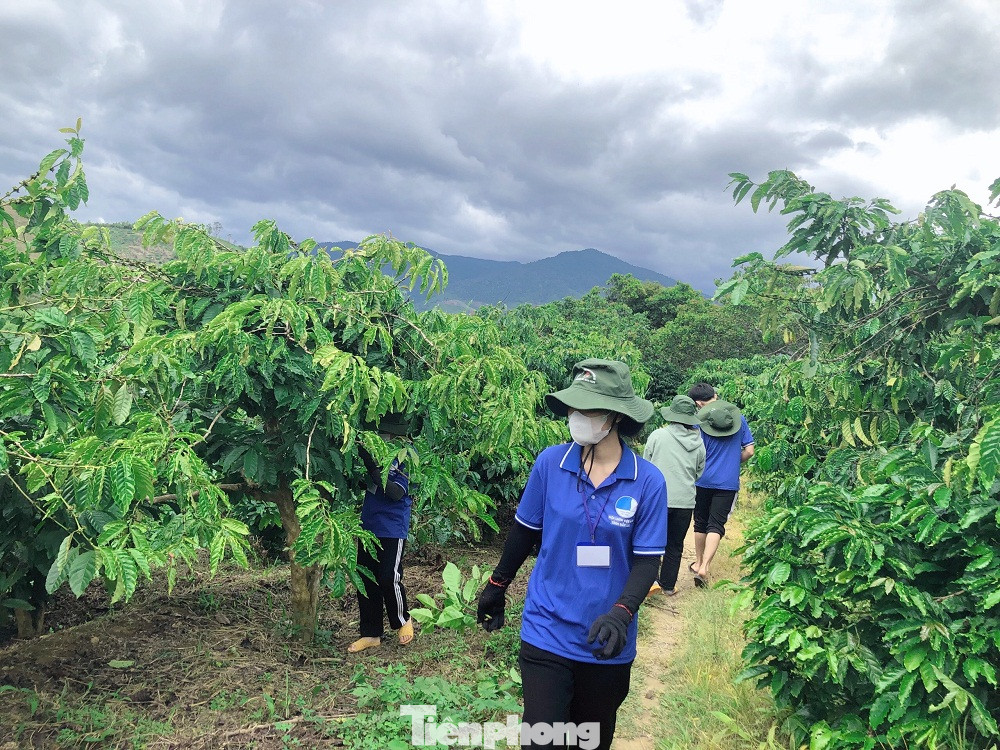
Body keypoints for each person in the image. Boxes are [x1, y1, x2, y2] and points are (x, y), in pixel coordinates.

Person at [477, 359, 666, 750]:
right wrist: (497, 585)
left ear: (615, 416)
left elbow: (648, 560)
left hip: (606, 641)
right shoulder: (551, 463)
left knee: (590, 741)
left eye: (588, 409)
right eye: (573, 407)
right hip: (547, 629)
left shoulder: (648, 481)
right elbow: (524, 531)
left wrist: (622, 612)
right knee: (541, 741)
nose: (576, 417)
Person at [347, 414, 414, 653]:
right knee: (366, 578)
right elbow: (360, 484)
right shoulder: (376, 451)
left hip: (393, 526)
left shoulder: (407, 457)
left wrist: (372, 465)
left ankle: (402, 620)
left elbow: (395, 492)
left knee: (388, 576)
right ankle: (371, 633)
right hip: (369, 524)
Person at [687, 383, 754, 587]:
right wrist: (733, 462)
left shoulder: (699, 421)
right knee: (716, 524)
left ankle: (698, 563)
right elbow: (749, 451)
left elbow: (695, 452)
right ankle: (706, 567)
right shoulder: (738, 418)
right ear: (715, 396)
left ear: (699, 403)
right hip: (728, 483)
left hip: (702, 480)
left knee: (700, 522)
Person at [642, 395, 705, 597]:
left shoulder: (657, 436)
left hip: (657, 497)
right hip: (685, 501)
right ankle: (668, 586)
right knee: (675, 545)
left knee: (651, 541)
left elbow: (646, 465)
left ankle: (649, 582)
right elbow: (698, 472)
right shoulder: (699, 443)